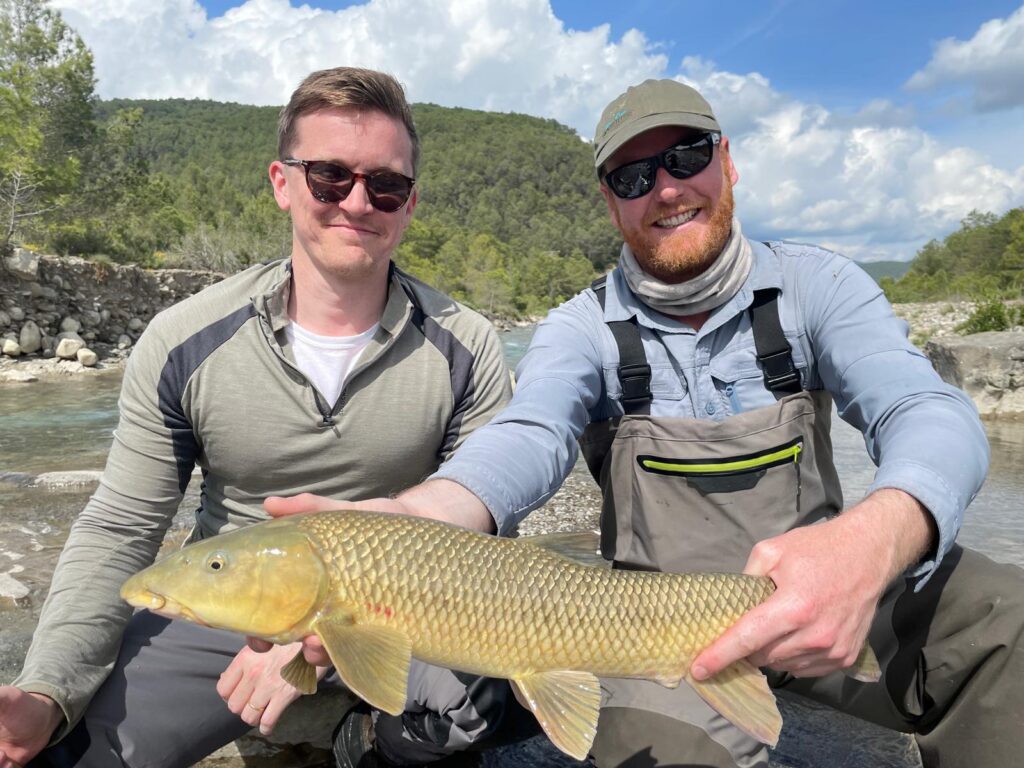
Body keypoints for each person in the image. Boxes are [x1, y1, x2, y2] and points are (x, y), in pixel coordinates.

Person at [274, 79, 1024, 768]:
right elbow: (529, 434)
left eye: (684, 156)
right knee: (671, 752)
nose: (665, 189)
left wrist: (871, 540)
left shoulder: (818, 287)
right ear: (611, 202)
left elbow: (927, 411)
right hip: (644, 629)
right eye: (632, 178)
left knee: (1008, 622)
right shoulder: (581, 327)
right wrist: (416, 515)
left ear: (725, 161)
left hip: (819, 596)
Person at [0, 67, 515, 768]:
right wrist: (47, 689)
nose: (357, 202)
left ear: (411, 202)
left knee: (469, 709)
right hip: (232, 607)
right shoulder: (185, 339)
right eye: (330, 176)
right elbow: (122, 525)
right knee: (76, 751)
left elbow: (487, 536)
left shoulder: (468, 346)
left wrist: (323, 645)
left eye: (384, 184)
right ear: (282, 181)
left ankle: (361, 741)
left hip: (414, 605)